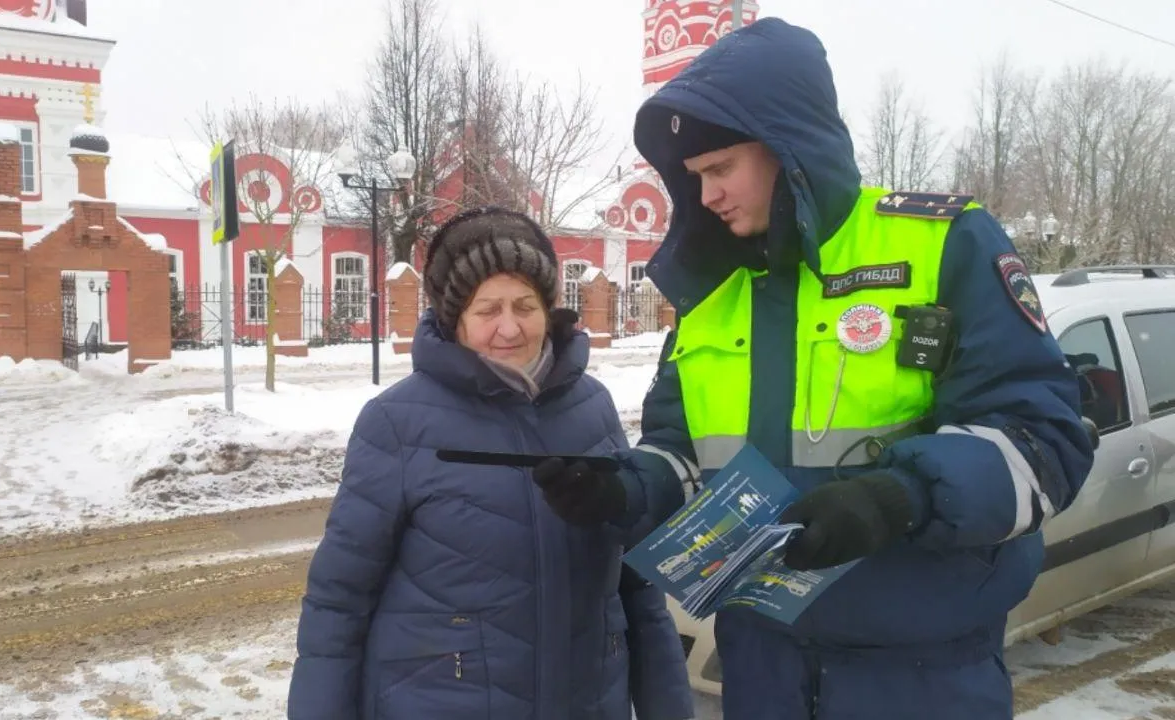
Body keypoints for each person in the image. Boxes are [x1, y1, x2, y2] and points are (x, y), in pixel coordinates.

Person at [529, 18, 1096, 720]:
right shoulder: (716, 293)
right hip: (762, 664)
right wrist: (621, 491)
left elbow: (1045, 445)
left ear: (786, 147)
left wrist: (899, 499)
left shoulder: (943, 243)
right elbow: (682, 457)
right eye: (693, 177)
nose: (704, 196)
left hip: (920, 674)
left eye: (719, 169)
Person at [285, 206, 694, 720]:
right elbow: (338, 603)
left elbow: (639, 588)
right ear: (456, 320)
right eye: (487, 310)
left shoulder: (593, 407)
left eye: (526, 305)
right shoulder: (396, 423)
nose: (509, 328)